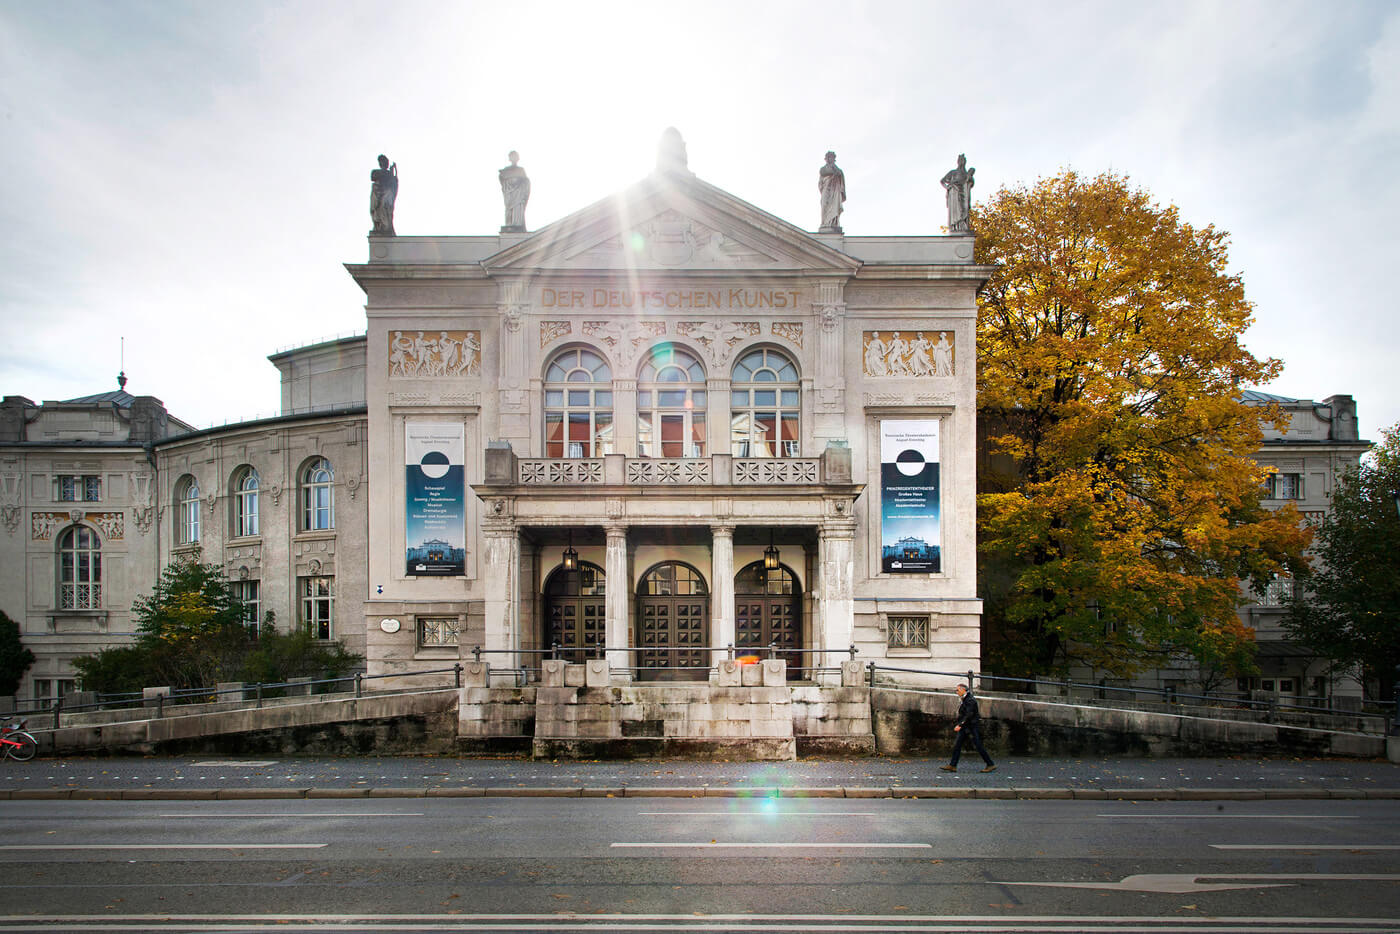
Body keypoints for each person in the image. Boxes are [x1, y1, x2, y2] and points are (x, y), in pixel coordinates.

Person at [941, 683, 996, 772]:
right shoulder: (965, 699)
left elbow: (969, 714)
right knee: (957, 745)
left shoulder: (970, 700)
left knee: (978, 745)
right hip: (966, 726)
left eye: (958, 690)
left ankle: (990, 764)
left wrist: (960, 725)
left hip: (971, 726)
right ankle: (953, 765)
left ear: (963, 690)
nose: (956, 692)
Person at [940, 153, 974, 234]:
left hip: (963, 194)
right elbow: (942, 181)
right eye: (960, 160)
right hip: (954, 193)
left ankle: (962, 225)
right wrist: (948, 187)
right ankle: (955, 226)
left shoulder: (966, 174)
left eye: (963, 160)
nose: (962, 162)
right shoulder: (953, 172)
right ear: (958, 161)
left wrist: (970, 178)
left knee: (964, 208)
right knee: (956, 211)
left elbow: (970, 183)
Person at [499, 151, 530, 231]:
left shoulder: (521, 170)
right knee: (509, 208)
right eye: (512, 156)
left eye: (515, 156)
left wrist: (521, 184)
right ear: (509, 158)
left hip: (518, 192)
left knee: (518, 207)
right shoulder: (506, 170)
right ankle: (509, 224)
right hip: (509, 192)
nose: (514, 158)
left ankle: (517, 224)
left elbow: (526, 181)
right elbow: (501, 179)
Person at [370, 154, 398, 236]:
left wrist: (394, 173)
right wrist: (390, 173)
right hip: (377, 193)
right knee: (378, 210)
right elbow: (373, 177)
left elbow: (394, 183)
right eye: (383, 162)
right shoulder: (376, 172)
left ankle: (386, 227)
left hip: (386, 194)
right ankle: (379, 227)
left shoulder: (389, 174)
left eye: (386, 162)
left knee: (385, 207)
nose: (385, 164)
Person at [818, 151, 845, 232]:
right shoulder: (823, 169)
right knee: (824, 205)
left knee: (834, 206)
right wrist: (833, 170)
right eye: (828, 157)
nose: (830, 159)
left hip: (835, 190)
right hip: (826, 189)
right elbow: (825, 172)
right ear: (825, 159)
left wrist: (835, 168)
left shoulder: (838, 170)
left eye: (832, 157)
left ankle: (833, 223)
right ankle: (825, 223)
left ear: (834, 159)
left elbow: (839, 174)